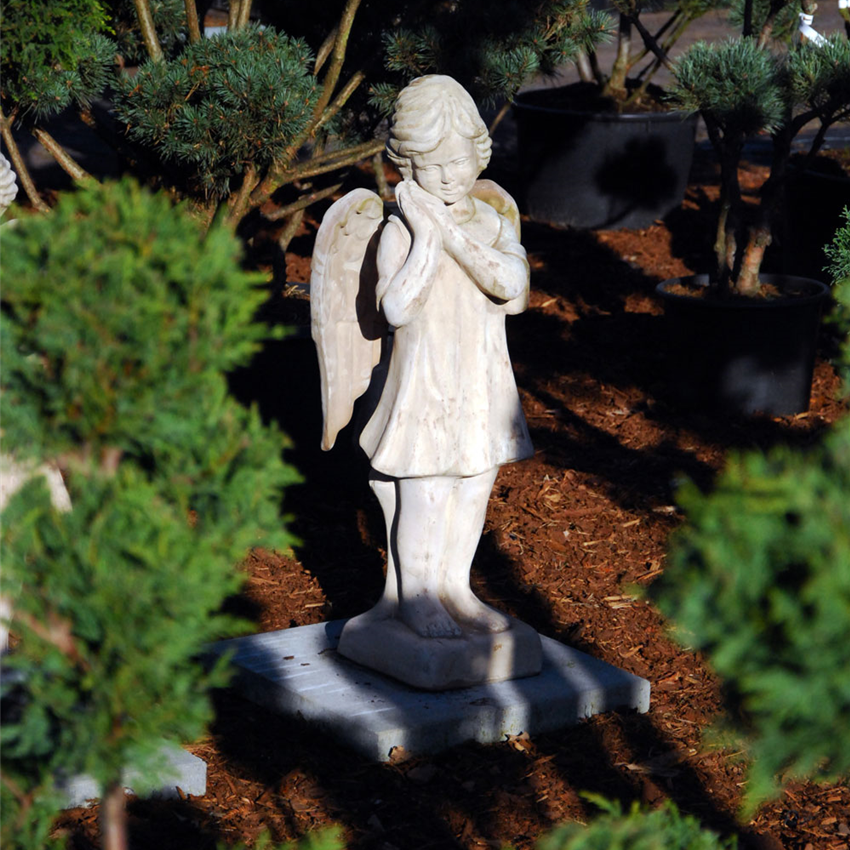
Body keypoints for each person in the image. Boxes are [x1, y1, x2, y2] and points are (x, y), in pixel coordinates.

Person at [354, 74, 534, 639]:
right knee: (426, 493)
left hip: (480, 380)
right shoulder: (399, 233)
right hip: (426, 386)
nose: (450, 177)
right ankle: (417, 596)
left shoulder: (491, 222)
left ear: (479, 154)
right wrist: (428, 239)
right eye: (432, 168)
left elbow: (514, 289)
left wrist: (453, 236)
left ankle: (456, 588)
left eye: (458, 162)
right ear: (407, 168)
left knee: (473, 488)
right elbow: (397, 308)